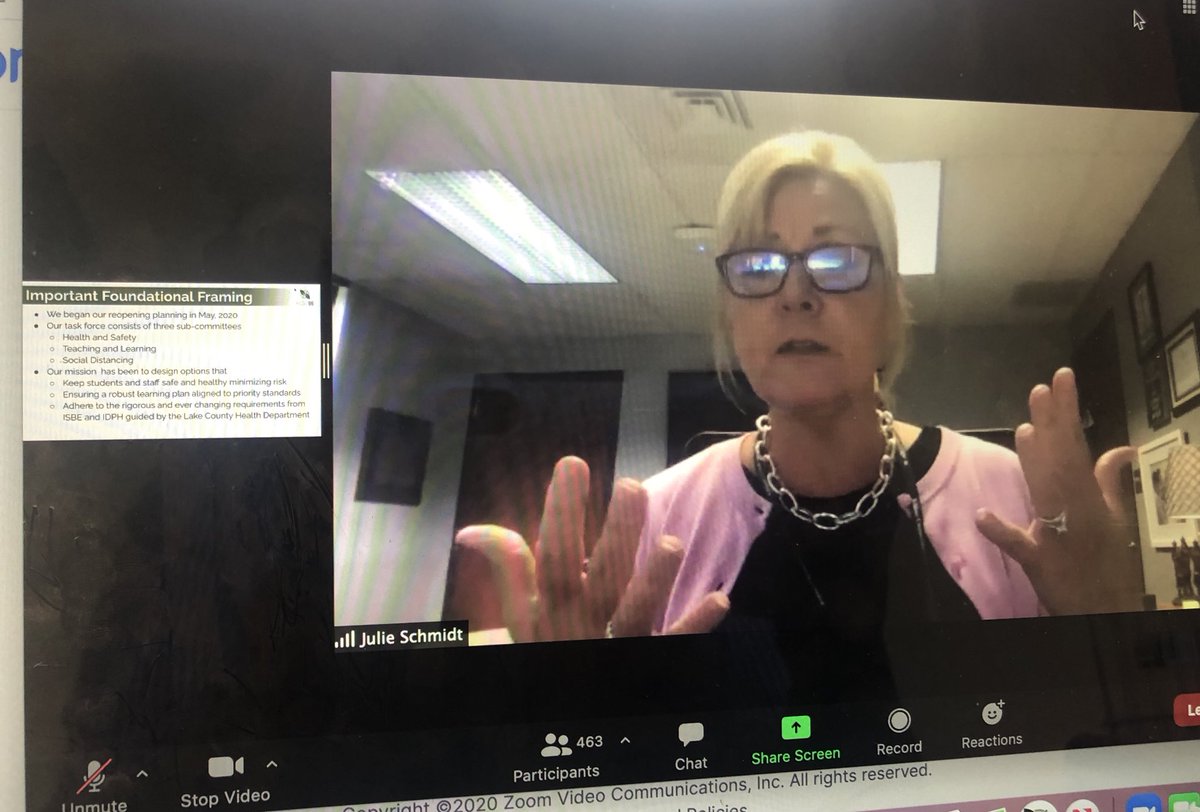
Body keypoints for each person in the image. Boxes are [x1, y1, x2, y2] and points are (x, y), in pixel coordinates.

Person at [454, 131, 1141, 644]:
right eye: (758, 264)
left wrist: (1113, 627)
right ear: (730, 315)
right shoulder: (655, 521)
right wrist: (573, 706)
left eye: (836, 259)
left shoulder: (1017, 501)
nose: (794, 293)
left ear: (890, 304)